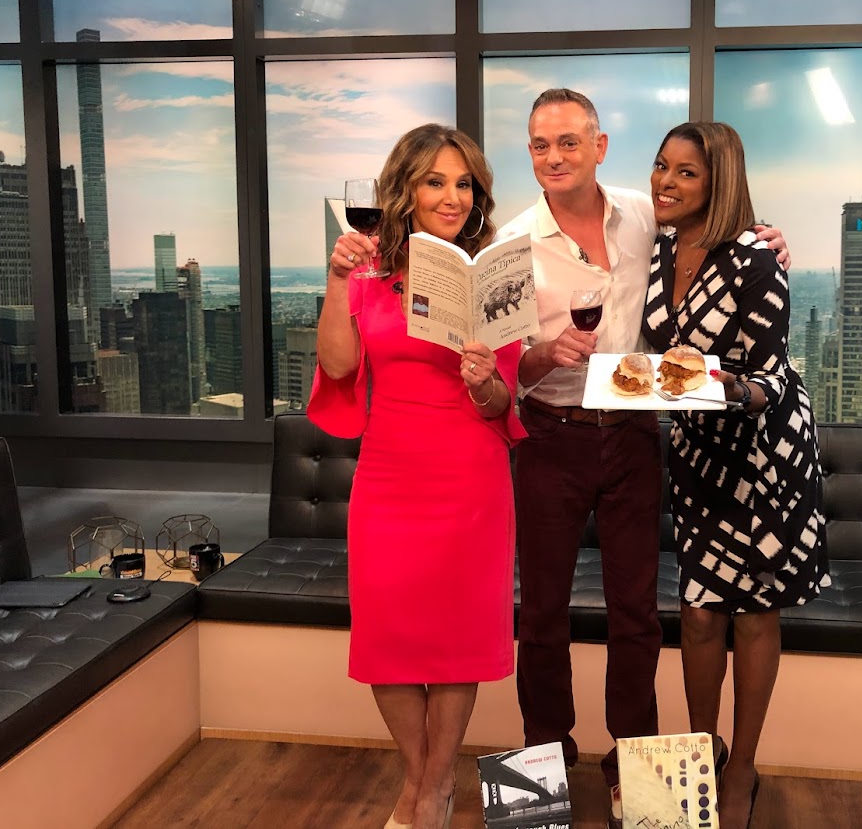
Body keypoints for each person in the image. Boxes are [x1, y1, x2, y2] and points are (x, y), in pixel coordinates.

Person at [499, 89, 790, 828]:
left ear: (599, 147)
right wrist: (543, 353)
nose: (555, 156)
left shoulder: (644, 215)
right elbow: (504, 369)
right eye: (540, 145)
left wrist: (767, 240)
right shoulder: (511, 243)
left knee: (636, 614)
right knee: (541, 612)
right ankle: (543, 768)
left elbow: (718, 235)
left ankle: (633, 770)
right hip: (550, 434)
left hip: (633, 435)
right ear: (529, 153)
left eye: (569, 141)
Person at [309, 124, 526, 829]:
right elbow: (338, 366)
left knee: (457, 641)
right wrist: (336, 280)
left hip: (471, 478)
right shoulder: (367, 273)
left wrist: (485, 380)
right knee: (390, 641)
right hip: (388, 477)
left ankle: (432, 791)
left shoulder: (494, 277)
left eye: (464, 184)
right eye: (436, 181)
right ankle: (418, 777)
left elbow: (500, 405)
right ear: (404, 188)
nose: (453, 197)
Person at [642, 121, 830, 829]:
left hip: (761, 454)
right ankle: (702, 753)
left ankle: (744, 764)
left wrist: (728, 390)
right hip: (697, 450)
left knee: (752, 610)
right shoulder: (659, 245)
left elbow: (772, 378)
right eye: (662, 165)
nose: (666, 181)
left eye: (686, 172)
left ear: (718, 182)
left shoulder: (755, 255)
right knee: (697, 611)